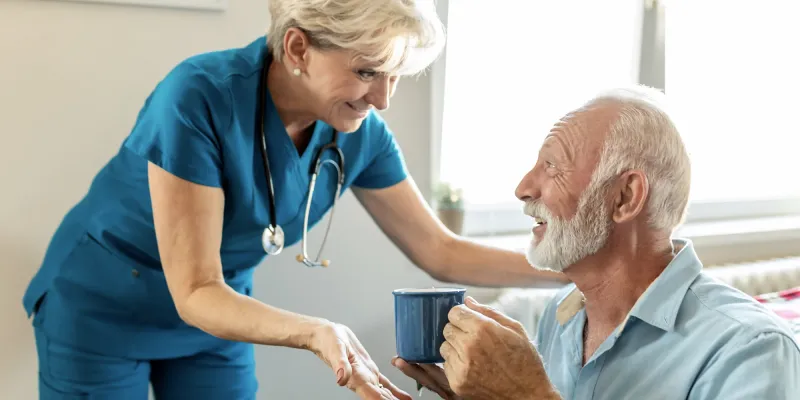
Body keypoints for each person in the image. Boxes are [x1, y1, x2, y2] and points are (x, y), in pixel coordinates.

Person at [21, 1, 567, 399]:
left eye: (394, 75)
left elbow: (440, 251)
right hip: (105, 305)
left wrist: (576, 267)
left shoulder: (360, 131)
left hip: (223, 313)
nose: (382, 99)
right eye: (367, 71)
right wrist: (313, 331)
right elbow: (194, 290)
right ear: (298, 47)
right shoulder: (198, 97)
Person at [393, 86, 800, 399]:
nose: (522, 188)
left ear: (624, 197)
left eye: (552, 167)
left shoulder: (750, 350)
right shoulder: (561, 317)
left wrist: (527, 396)